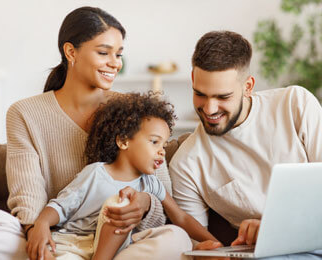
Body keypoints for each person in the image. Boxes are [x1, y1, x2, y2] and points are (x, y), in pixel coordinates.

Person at [0, 7, 191, 260]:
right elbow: (28, 194)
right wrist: (37, 230)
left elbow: (163, 192)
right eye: (104, 52)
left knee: (176, 239)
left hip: (124, 240)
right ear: (71, 52)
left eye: (119, 54)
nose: (115, 63)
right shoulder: (25, 112)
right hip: (58, 239)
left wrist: (143, 204)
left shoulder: (134, 111)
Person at [169, 30, 322, 259]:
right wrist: (203, 251)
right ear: (192, 80)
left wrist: (275, 225)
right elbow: (200, 243)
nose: (209, 109)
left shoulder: (294, 103)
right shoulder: (186, 163)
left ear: (248, 86)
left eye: (223, 97)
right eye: (200, 94)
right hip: (286, 252)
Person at [26, 93, 218, 260]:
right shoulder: (95, 173)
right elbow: (60, 206)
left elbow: (181, 218)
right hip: (74, 245)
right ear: (123, 141)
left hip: (120, 250)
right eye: (154, 142)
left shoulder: (151, 183)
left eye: (164, 146)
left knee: (178, 237)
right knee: (121, 201)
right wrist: (41, 224)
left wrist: (217, 243)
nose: (162, 152)